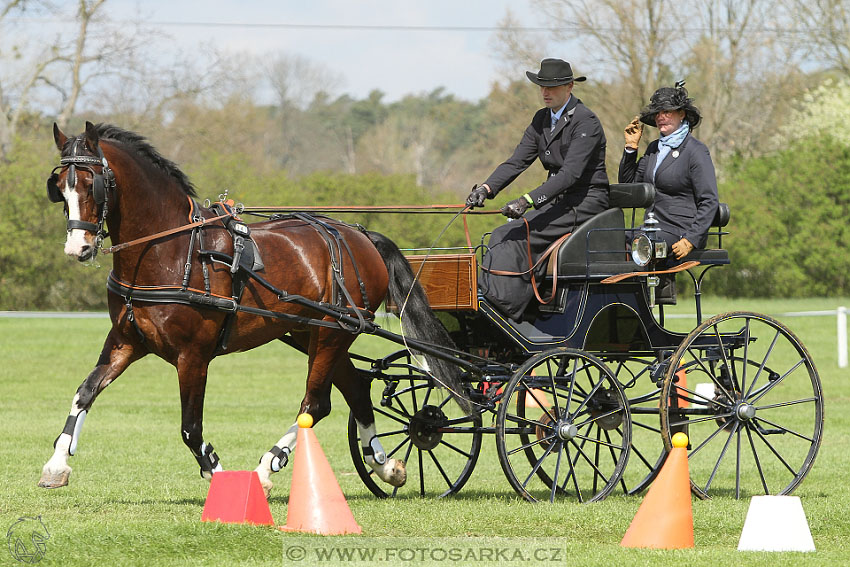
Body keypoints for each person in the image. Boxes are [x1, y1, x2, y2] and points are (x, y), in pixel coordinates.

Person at [466, 58, 609, 322]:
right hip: (557, 200)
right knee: (500, 234)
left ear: (569, 87)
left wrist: (527, 200)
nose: (545, 92)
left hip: (585, 200)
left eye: (551, 87)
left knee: (520, 238)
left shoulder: (585, 121)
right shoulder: (541, 119)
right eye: (541, 86)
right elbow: (517, 161)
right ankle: (497, 301)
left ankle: (506, 307)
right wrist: (486, 188)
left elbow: (570, 174)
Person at [619, 82, 719, 302]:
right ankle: (622, 306)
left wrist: (691, 239)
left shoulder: (695, 151)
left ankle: (643, 306)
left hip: (680, 231)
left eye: (667, 112)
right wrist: (630, 149)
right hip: (651, 229)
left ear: (681, 114)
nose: (660, 117)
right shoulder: (654, 149)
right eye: (657, 114)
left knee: (643, 244)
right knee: (608, 240)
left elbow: (709, 201)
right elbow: (630, 189)